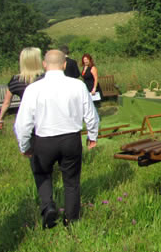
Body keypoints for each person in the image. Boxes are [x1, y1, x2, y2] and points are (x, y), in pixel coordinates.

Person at [14, 50, 99, 228]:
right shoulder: (77, 86)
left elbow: (23, 123)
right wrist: (92, 136)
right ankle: (71, 220)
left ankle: (48, 207)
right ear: (65, 64)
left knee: (42, 173)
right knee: (71, 181)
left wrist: (25, 145)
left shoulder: (34, 89)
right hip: (71, 139)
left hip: (44, 139)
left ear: (44, 65)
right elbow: (90, 114)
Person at [0, 47, 44, 129]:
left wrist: (0, 119)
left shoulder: (16, 80)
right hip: (44, 118)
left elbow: (6, 102)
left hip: (25, 118)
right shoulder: (45, 78)